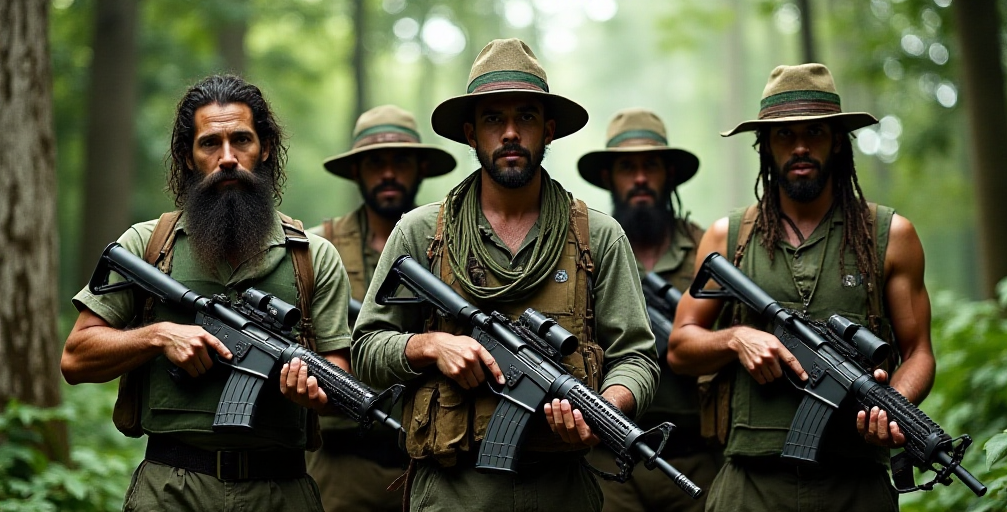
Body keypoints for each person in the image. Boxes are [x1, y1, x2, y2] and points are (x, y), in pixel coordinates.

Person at [351, 39, 660, 512]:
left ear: (549, 131)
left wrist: (607, 409)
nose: (511, 133)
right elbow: (367, 348)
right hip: (453, 491)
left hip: (563, 490)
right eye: (495, 119)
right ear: (472, 134)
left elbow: (637, 358)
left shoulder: (597, 236)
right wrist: (431, 346)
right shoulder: (421, 232)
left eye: (526, 118)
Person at [60, 75, 352, 512]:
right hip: (170, 489)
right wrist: (158, 336)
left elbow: (337, 373)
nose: (228, 158)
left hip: (281, 490)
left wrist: (310, 391)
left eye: (242, 140)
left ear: (266, 148)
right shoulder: (147, 246)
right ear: (187, 156)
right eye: (210, 143)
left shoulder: (312, 258)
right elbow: (76, 358)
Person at [667, 63, 935, 512]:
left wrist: (894, 404)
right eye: (785, 135)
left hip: (856, 483)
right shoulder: (728, 237)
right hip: (750, 485)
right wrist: (737, 338)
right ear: (765, 146)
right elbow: (679, 347)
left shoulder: (889, 235)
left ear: (837, 141)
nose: (801, 147)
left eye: (815, 132)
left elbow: (920, 351)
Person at [305, 104, 456, 512]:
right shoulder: (315, 250)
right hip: (341, 466)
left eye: (401, 160)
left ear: (421, 168)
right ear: (356, 171)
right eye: (375, 162)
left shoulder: (453, 250)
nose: (388, 173)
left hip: (433, 462)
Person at [577, 107, 720, 512]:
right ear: (608, 177)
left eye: (651, 165)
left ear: (669, 173)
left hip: (695, 457)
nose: (640, 178)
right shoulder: (585, 256)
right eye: (627, 167)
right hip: (607, 459)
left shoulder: (707, 255)